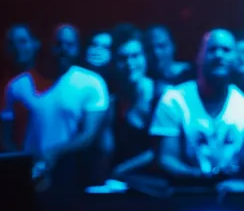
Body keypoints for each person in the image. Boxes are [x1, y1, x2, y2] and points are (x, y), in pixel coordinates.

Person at [149, 29, 244, 180]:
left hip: (232, 199)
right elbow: (166, 159)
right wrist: (202, 178)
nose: (219, 55)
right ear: (199, 56)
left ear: (235, 59)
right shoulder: (173, 101)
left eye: (226, 50)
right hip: (184, 198)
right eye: (212, 49)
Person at [7, 25, 109, 192]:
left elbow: (89, 134)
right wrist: (24, 160)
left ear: (78, 47)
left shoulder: (91, 83)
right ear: (49, 45)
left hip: (72, 172)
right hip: (27, 172)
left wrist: (55, 153)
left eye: (70, 45)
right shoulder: (19, 85)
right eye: (59, 43)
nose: (64, 49)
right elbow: (5, 134)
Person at [105, 26, 157, 178]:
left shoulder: (162, 96)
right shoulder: (113, 104)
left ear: (145, 57)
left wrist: (120, 171)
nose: (129, 63)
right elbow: (107, 152)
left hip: (161, 186)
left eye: (135, 56)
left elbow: (161, 151)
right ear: (114, 63)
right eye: (123, 58)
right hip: (124, 186)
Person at [1, 24, 49, 152]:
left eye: (23, 41)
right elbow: (4, 136)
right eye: (12, 43)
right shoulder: (6, 86)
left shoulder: (52, 81)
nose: (17, 48)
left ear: (36, 43)